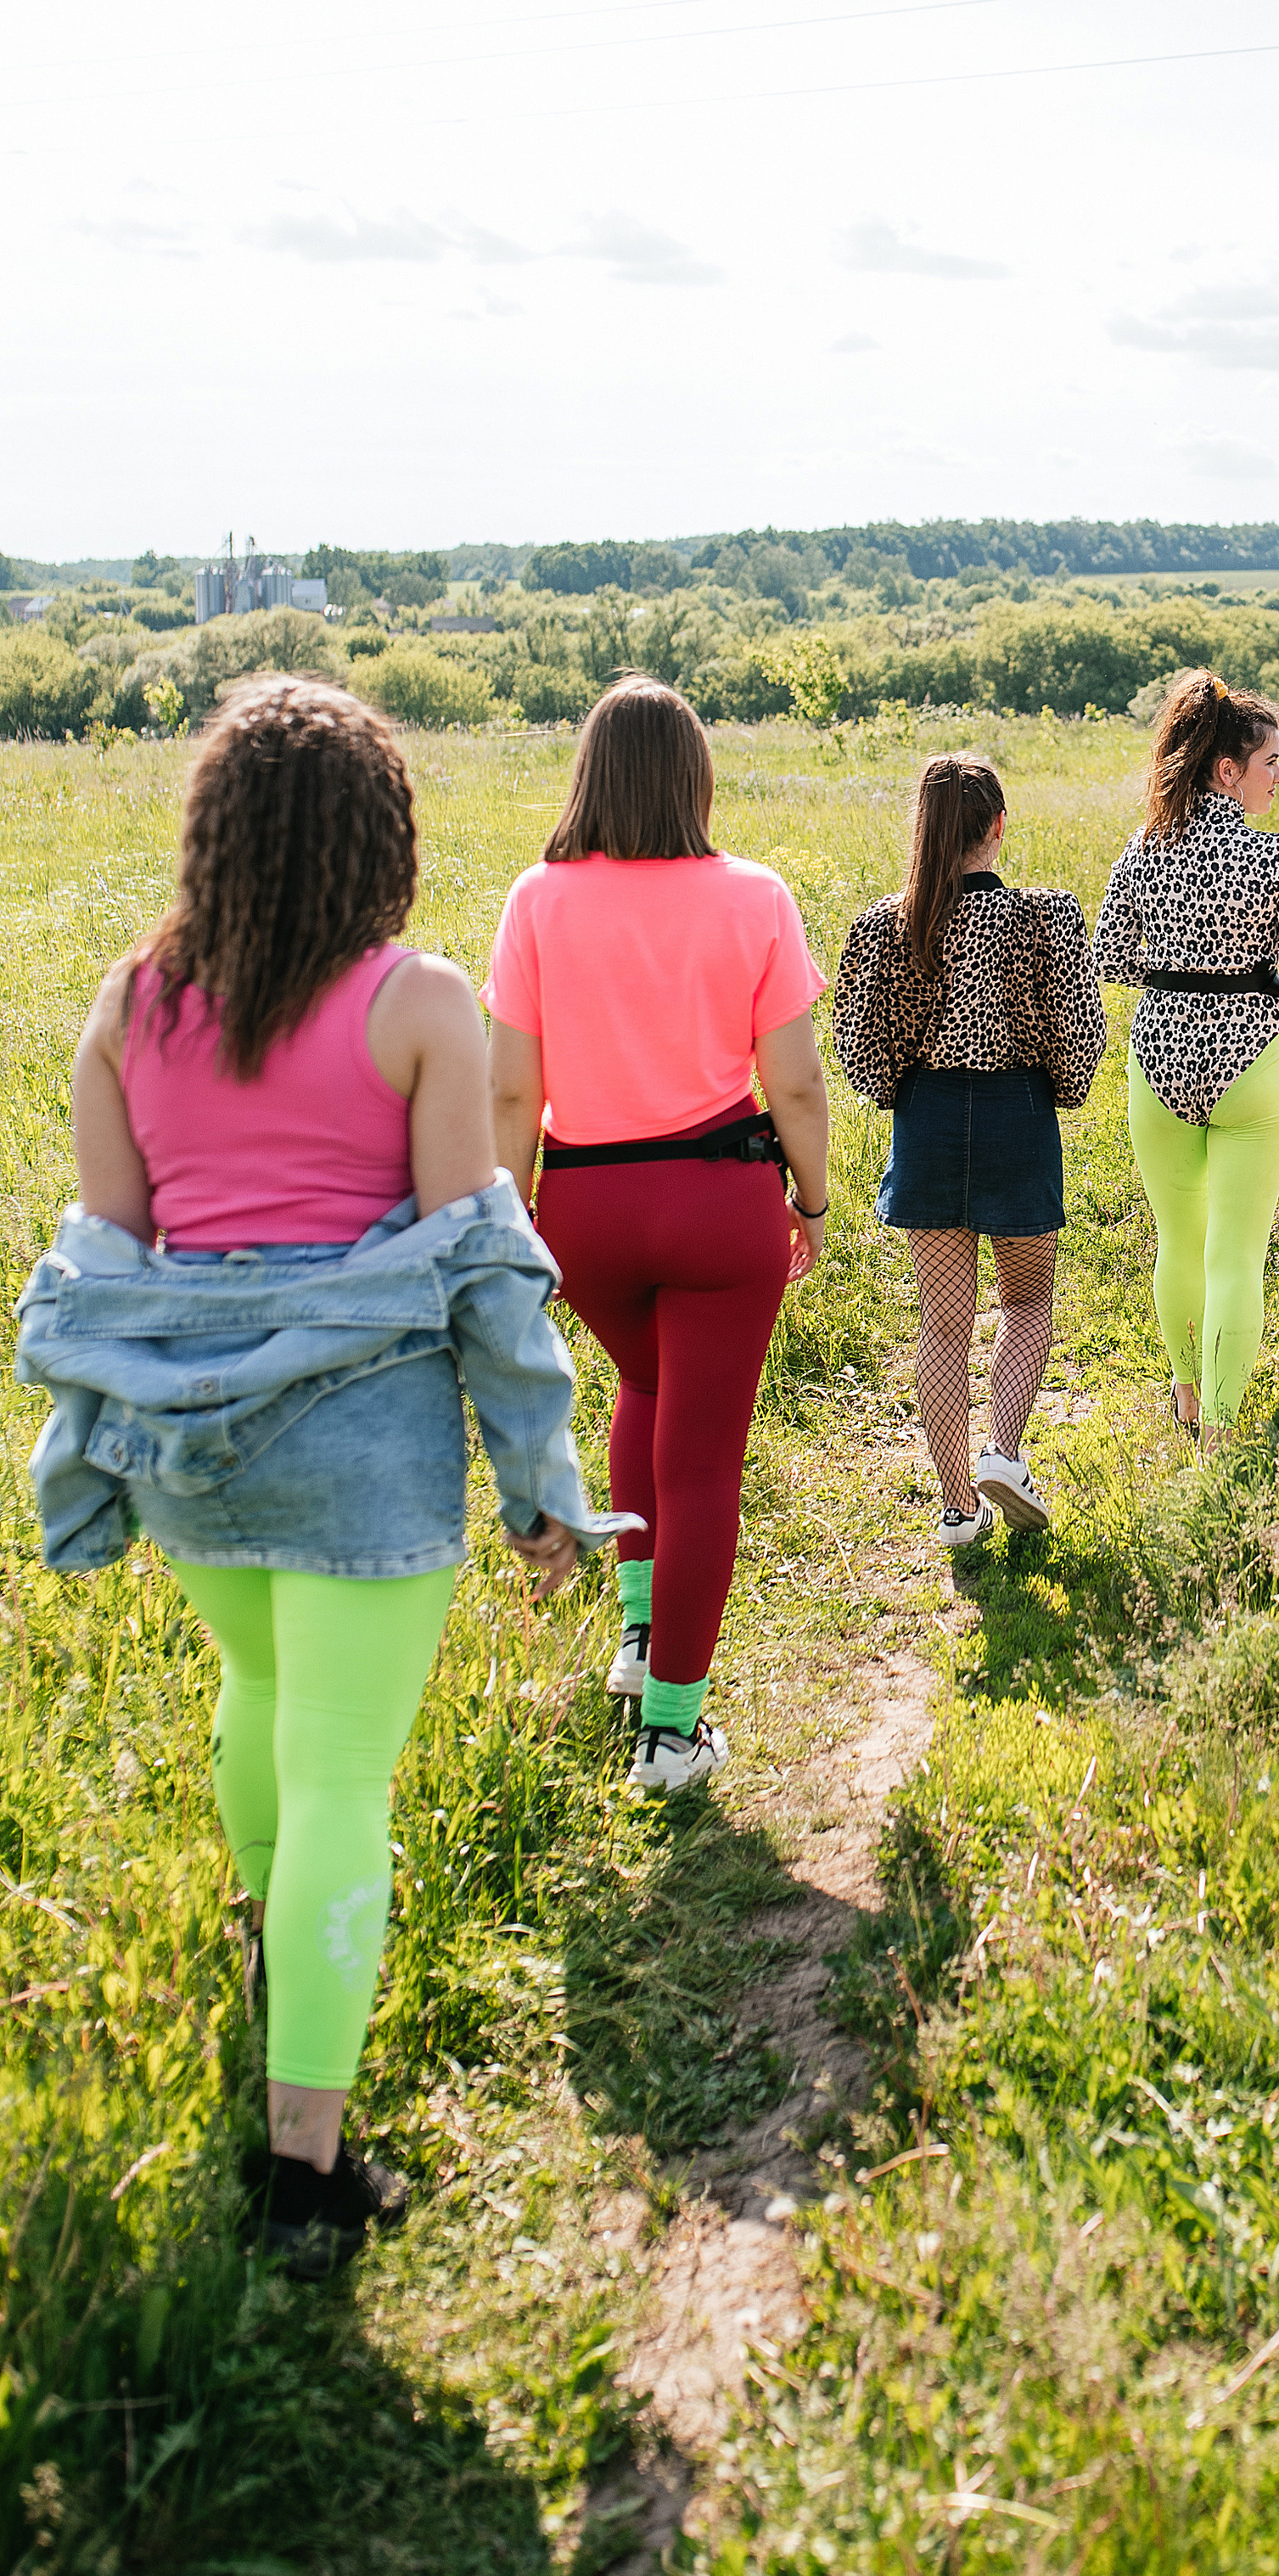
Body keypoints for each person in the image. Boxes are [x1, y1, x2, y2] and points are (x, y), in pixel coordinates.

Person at [28, 677, 620, 2280]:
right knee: (345, 1769)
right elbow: (480, 1270)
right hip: (365, 1457)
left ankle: (269, 1950)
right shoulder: (418, 1007)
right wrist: (539, 1481)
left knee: (259, 1695)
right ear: (384, 835)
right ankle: (304, 2168)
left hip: (191, 1461)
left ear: (211, 834)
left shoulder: (126, 1002)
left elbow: (120, 1266)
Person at [483, 677, 831, 1795]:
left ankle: (639, 1643)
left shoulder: (536, 900)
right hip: (718, 1202)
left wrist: (514, 1220)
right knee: (702, 1468)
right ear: (695, 779)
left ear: (589, 773)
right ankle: (673, 1738)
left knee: (642, 1389)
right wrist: (812, 1202)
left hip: (584, 1210)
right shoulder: (755, 896)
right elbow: (798, 1085)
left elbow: (507, 1096)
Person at [833, 754, 1106, 1546]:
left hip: (928, 1120)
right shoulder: (1045, 916)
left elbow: (859, 1044)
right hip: (1017, 1114)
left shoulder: (888, 923)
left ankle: (959, 1507)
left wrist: (902, 1094)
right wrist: (1056, 1087)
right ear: (997, 825)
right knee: (1025, 1304)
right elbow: (1081, 1036)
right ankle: (1003, 1454)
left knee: (943, 1325)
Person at [1092, 671, 1279, 1441]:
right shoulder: (1276, 858)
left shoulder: (1144, 850)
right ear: (1227, 770)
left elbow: (1107, 954)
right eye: (1270, 762)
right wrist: (1268, 1013)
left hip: (1159, 1062)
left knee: (1178, 1241)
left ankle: (1189, 1397)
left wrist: (1170, 985)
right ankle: (1224, 1432)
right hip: (1252, 1065)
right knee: (1237, 1252)